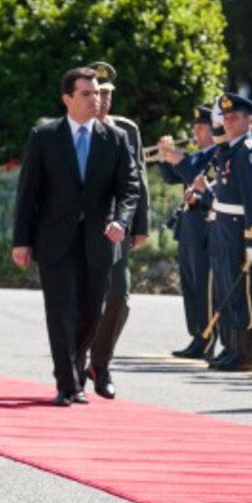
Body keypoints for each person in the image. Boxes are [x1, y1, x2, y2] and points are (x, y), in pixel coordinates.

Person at [11, 66, 140, 406]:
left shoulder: (115, 138)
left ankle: (78, 368)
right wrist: (20, 241)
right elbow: (28, 193)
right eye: (86, 93)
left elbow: (130, 188)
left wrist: (122, 221)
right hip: (54, 239)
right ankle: (66, 382)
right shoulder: (45, 137)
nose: (95, 99)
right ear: (67, 98)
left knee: (91, 313)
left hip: (99, 240)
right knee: (60, 310)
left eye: (97, 93)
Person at [86, 61, 150, 399]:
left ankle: (101, 362)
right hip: (79, 228)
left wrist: (141, 224)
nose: (104, 100)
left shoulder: (127, 130)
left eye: (109, 93)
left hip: (116, 228)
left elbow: (137, 180)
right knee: (79, 300)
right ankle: (72, 360)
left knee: (119, 298)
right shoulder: (69, 129)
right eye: (99, 93)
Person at [202, 92, 252, 373]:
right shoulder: (232, 149)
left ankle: (243, 354)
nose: (228, 122)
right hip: (224, 228)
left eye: (235, 117)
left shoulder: (251, 152)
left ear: (249, 120)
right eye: (226, 117)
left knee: (241, 295)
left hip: (239, 232)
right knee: (224, 290)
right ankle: (230, 347)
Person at [158, 105, 218, 359]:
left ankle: (206, 338)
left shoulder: (216, 156)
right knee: (191, 287)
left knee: (204, 288)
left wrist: (180, 160)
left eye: (202, 127)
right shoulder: (197, 155)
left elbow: (201, 183)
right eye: (195, 127)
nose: (196, 131)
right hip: (188, 230)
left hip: (205, 230)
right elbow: (173, 178)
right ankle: (196, 335)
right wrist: (164, 157)